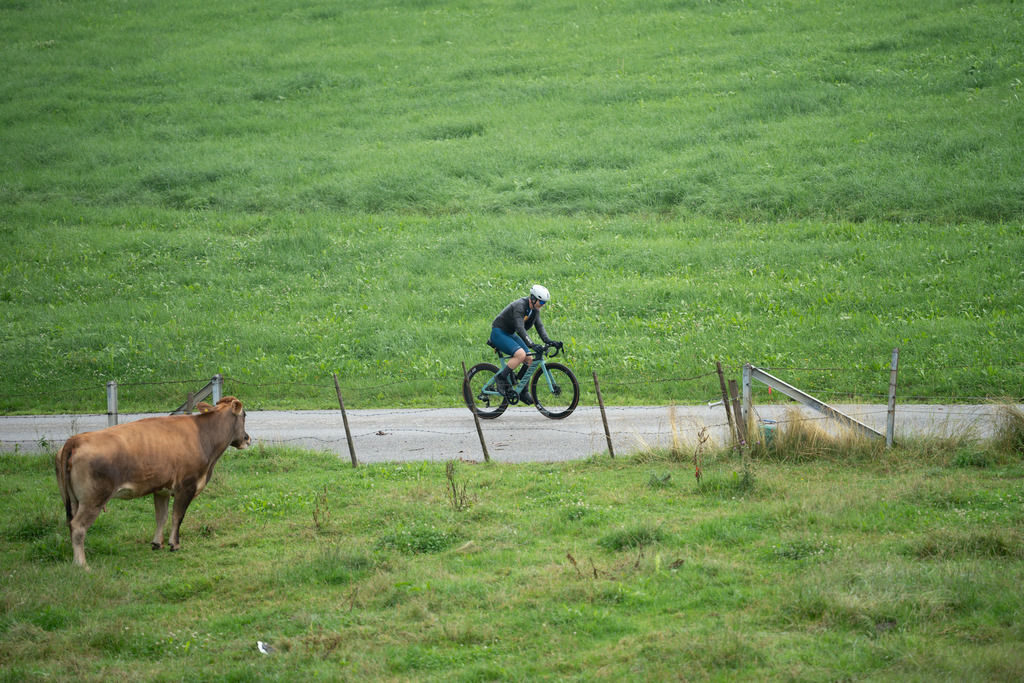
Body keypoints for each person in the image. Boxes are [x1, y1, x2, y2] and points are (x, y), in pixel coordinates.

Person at [490, 284, 562, 404]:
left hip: (509, 333)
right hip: (499, 332)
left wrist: (548, 341)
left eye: (545, 303)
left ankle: (522, 390)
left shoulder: (534, 310)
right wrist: (532, 344)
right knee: (520, 355)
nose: (543, 305)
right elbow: (520, 328)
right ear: (533, 299)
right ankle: (501, 378)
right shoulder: (520, 306)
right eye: (542, 302)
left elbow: (539, 326)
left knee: (529, 359)